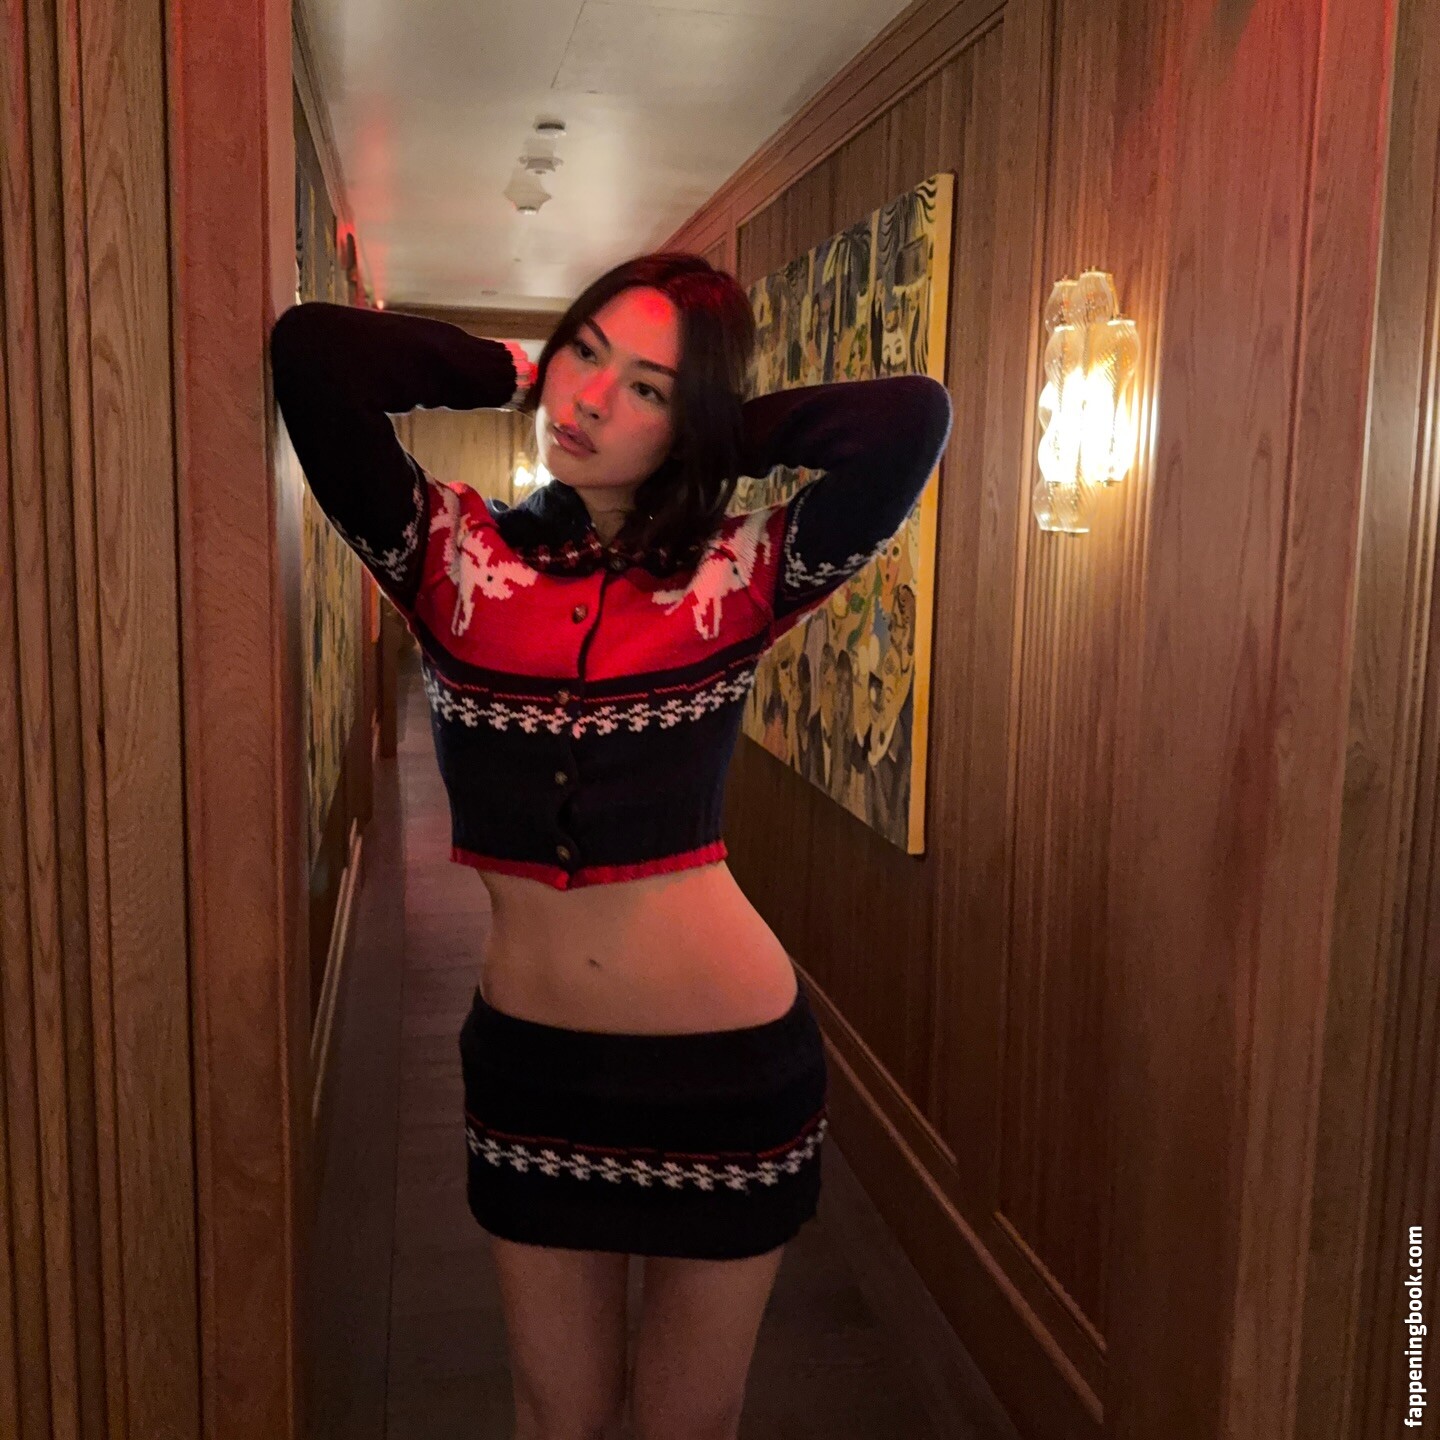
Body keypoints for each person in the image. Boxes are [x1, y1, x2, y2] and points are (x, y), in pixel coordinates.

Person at [269, 251, 951, 1440]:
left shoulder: (741, 573)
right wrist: (519, 368)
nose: (590, 399)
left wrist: (708, 437)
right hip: (530, 1068)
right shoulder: (447, 554)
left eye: (646, 387)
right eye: (585, 352)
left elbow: (909, 420)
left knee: (691, 1422)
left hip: (730, 1069)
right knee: (557, 1414)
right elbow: (314, 358)